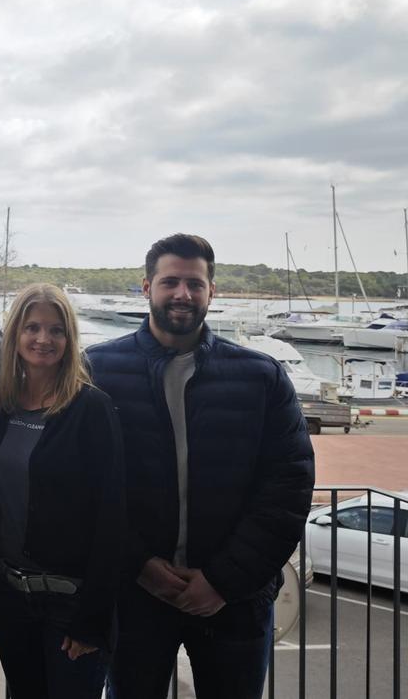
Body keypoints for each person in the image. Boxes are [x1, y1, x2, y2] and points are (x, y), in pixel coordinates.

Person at [86, 234, 315, 699]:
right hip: (134, 596)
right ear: (147, 287)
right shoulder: (96, 370)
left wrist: (222, 581)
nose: (182, 294)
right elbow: (83, 485)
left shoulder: (261, 376)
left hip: (234, 602)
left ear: (212, 291)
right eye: (170, 282)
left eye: (194, 284)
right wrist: (140, 566)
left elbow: (288, 487)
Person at [0, 283, 124, 699]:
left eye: (55, 330)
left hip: (70, 605)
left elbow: (112, 517)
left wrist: (94, 619)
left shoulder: (91, 408)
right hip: (10, 598)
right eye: (32, 328)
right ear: (15, 335)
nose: (43, 339)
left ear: (69, 339)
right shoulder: (8, 404)